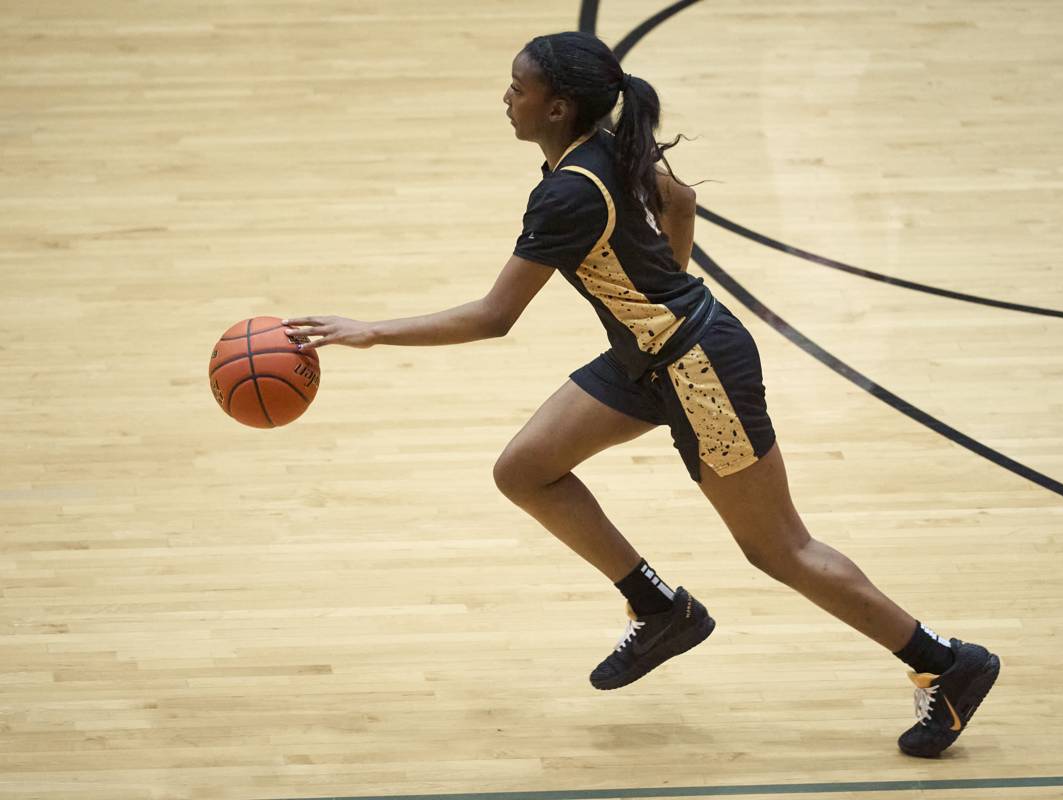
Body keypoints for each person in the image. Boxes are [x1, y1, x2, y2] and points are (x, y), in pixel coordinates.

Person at [282, 31, 999, 758]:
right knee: (525, 468)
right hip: (651, 356)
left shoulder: (567, 191)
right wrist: (665, 297)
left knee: (780, 549)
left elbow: (494, 317)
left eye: (517, 87)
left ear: (557, 107)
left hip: (696, 370)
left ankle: (945, 660)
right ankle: (660, 607)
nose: (505, 97)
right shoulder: (604, 146)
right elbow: (679, 202)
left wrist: (368, 330)